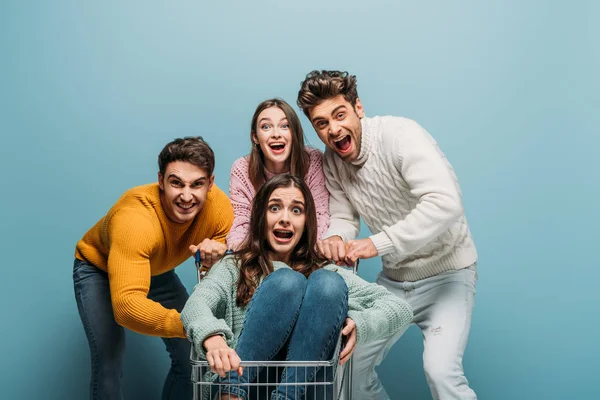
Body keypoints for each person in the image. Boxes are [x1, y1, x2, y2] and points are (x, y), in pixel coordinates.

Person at [297, 70, 479, 400]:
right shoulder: (332, 161)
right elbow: (342, 216)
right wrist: (337, 240)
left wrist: (375, 243)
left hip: (448, 277)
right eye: (321, 123)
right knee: (347, 368)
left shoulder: (400, 135)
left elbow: (446, 202)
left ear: (358, 108)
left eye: (340, 115)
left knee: (441, 372)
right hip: (394, 283)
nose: (334, 129)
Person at [181, 174, 413, 400]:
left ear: (306, 222)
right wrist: (212, 339)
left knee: (327, 283)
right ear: (261, 217)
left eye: (296, 210)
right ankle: (230, 393)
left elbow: (399, 308)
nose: (285, 218)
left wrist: (361, 324)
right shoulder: (234, 266)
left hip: (304, 391)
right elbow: (197, 304)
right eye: (274, 208)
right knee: (286, 282)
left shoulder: (324, 274)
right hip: (246, 385)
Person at [73, 136, 234, 399]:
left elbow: (226, 260)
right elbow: (126, 307)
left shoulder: (219, 208)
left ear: (210, 184)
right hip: (98, 270)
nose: (186, 195)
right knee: (109, 359)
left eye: (197, 185)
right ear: (161, 181)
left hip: (158, 270)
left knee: (190, 359)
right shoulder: (134, 220)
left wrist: (216, 251)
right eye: (176, 183)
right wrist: (195, 325)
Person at [227, 98, 330, 250]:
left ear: (294, 133)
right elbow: (241, 221)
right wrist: (240, 253)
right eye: (266, 126)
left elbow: (320, 216)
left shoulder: (313, 161)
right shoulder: (242, 168)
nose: (276, 134)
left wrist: (311, 255)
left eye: (285, 126)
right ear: (255, 137)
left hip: (306, 256)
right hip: (260, 256)